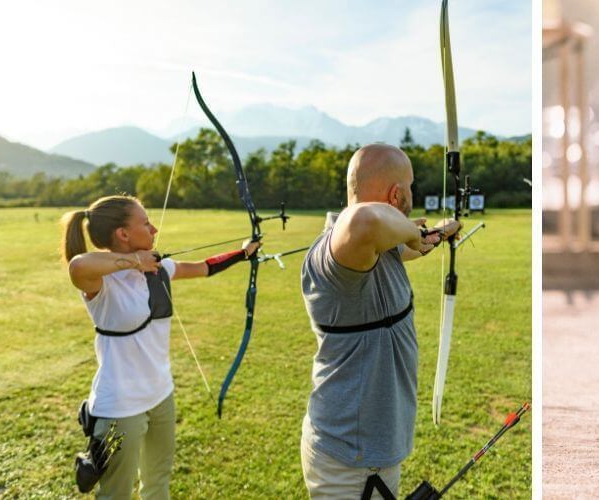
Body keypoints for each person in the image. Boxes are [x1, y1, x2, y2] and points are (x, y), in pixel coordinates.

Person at [63, 194, 260, 499]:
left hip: (160, 398)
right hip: (118, 410)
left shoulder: (160, 268)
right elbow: (77, 265)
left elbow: (204, 267)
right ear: (123, 234)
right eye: (145, 223)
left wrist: (243, 253)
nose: (154, 229)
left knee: (158, 484)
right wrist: (134, 262)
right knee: (115, 493)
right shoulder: (101, 284)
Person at [298, 144, 458, 498]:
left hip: (369, 451)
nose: (412, 194)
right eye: (410, 187)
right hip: (350, 460)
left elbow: (412, 247)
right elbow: (365, 220)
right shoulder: (339, 252)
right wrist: (409, 231)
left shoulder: (375, 248)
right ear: (396, 194)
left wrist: (442, 231)